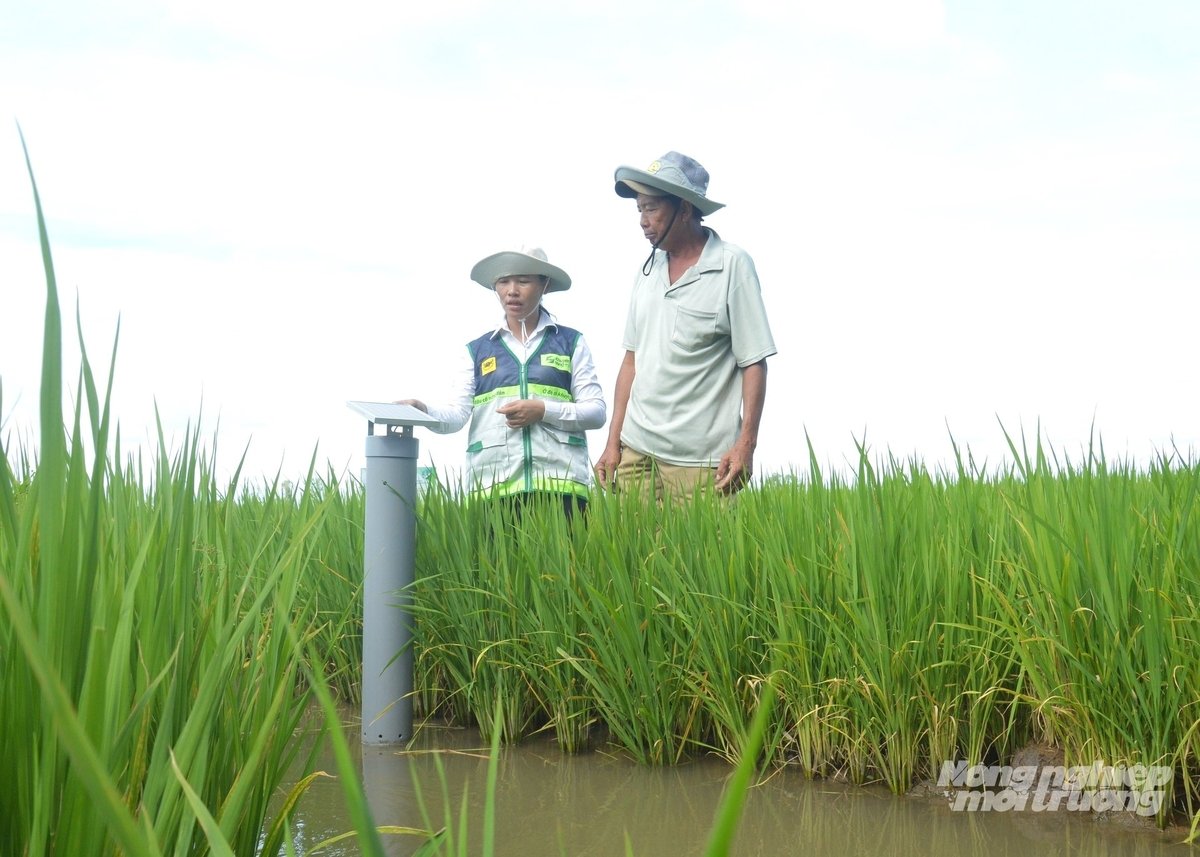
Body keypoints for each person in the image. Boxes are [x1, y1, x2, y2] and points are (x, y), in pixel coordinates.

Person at [594, 151, 776, 502]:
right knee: (634, 554)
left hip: (701, 461)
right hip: (636, 453)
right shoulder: (647, 273)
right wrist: (613, 442)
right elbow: (631, 361)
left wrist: (746, 445)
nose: (643, 222)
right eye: (640, 210)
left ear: (685, 209)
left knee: (703, 556)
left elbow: (754, 362)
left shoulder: (732, 265)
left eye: (652, 209)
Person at [399, 246, 606, 517]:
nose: (512, 290)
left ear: (544, 284)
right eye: (503, 282)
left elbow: (596, 413)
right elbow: (457, 415)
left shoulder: (571, 342)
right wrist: (422, 410)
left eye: (523, 281)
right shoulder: (476, 351)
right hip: (493, 490)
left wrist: (543, 410)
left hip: (562, 489)